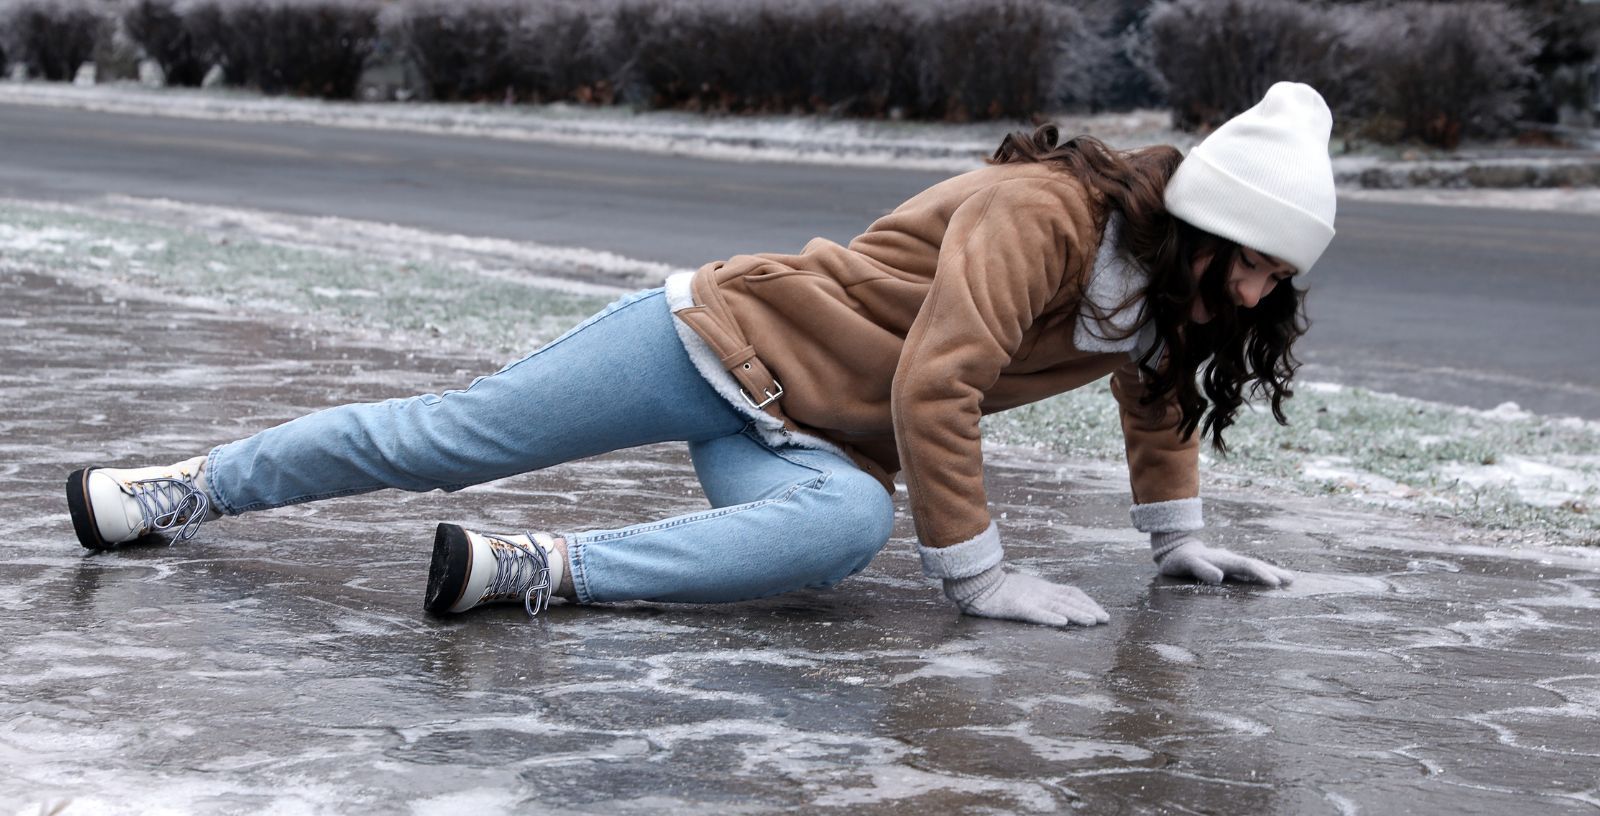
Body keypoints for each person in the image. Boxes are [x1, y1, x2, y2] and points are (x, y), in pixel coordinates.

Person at [65, 82, 1335, 628]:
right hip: (714, 339)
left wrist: (1175, 541)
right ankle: (180, 488)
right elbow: (938, 380)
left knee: (836, 536)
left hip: (811, 437)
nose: (1262, 290)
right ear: (1199, 226)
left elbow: (1157, 390)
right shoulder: (1044, 214)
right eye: (1256, 261)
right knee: (448, 440)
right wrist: (980, 577)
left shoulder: (1169, 294)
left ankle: (534, 571)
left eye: (1282, 275)